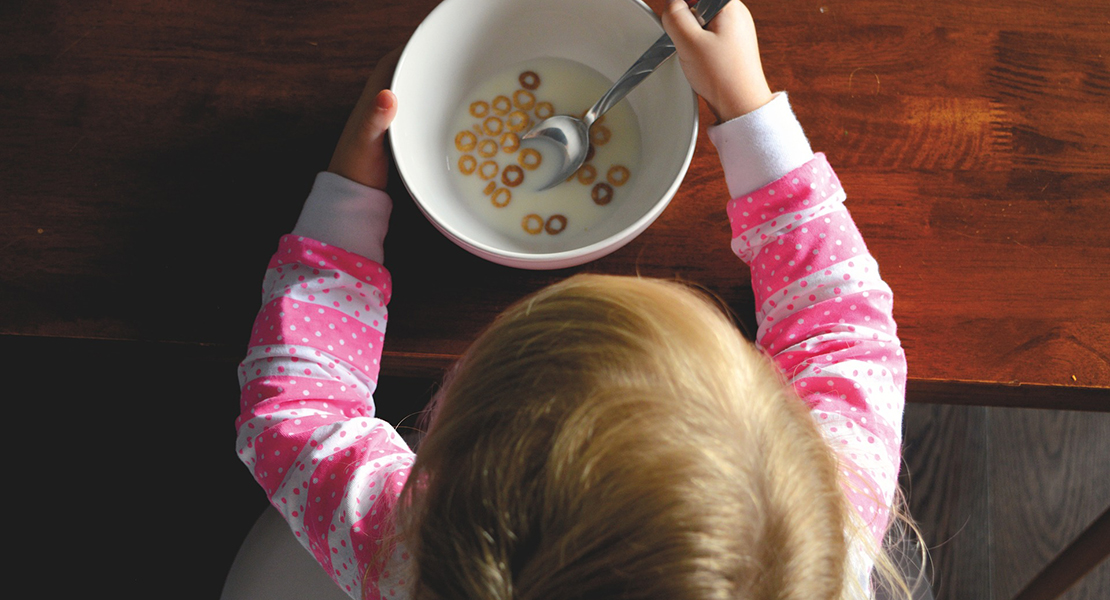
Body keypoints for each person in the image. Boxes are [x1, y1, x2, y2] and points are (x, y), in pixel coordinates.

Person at [235, 1, 925, 598]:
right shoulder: (823, 529)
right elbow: (841, 328)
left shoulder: (408, 553)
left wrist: (349, 197)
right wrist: (748, 107)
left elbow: (295, 414)